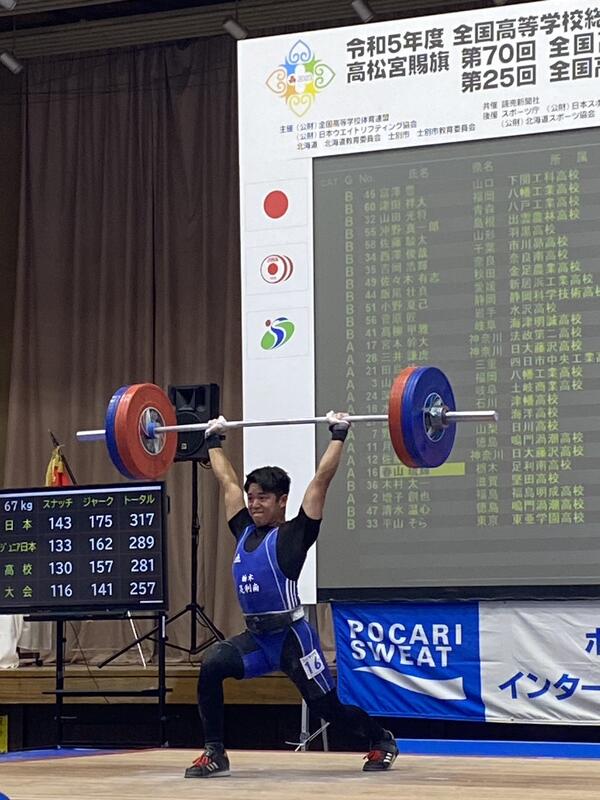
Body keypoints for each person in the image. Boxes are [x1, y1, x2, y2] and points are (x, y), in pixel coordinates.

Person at [184, 411, 399, 778]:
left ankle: (381, 740)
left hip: (293, 640)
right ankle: (215, 752)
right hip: (257, 639)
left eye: (263, 498)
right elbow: (228, 484)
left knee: (327, 709)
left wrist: (339, 432)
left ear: (282, 500)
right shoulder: (243, 530)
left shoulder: (294, 536)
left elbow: (321, 481)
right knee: (211, 666)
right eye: (252, 498)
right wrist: (213, 439)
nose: (253, 504)